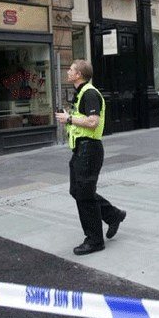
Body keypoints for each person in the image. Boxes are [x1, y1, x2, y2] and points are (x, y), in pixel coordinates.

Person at [55, 59, 126, 255]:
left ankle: (95, 240)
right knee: (78, 191)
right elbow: (83, 120)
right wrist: (69, 118)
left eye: (71, 69)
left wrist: (69, 118)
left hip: (89, 149)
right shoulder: (81, 93)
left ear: (79, 74)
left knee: (84, 194)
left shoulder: (90, 93)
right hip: (81, 149)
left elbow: (93, 122)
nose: (68, 72)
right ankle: (113, 215)